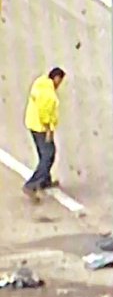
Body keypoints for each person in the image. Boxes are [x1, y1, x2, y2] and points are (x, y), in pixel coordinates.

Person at [23, 67, 65, 200]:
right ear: (56, 78)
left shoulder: (40, 82)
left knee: (44, 153)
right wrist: (49, 131)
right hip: (41, 127)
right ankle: (32, 184)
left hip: (32, 122)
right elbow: (45, 115)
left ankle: (45, 180)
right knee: (48, 155)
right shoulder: (49, 95)